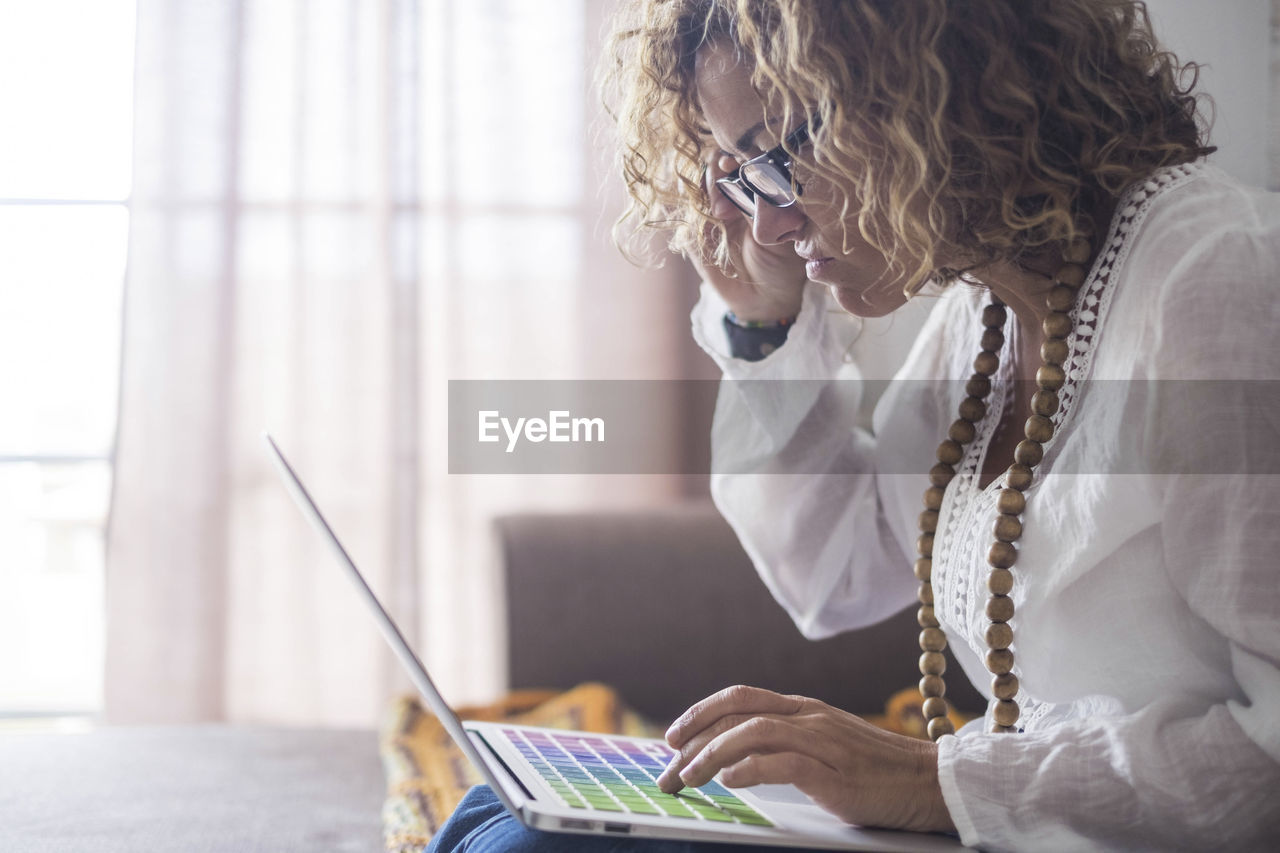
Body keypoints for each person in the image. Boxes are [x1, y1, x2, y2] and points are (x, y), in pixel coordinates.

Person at [430, 1, 1280, 850]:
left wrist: (931, 778)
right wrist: (765, 325)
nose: (770, 220)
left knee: (529, 844)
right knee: (498, 813)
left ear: (942, 88)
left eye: (785, 152)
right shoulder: (989, 313)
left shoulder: (1217, 283)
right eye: (741, 172)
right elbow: (836, 574)